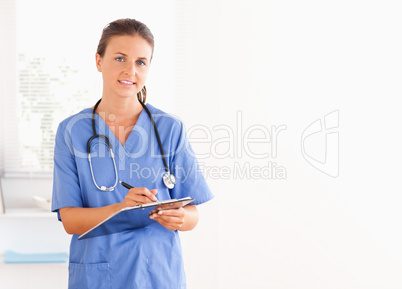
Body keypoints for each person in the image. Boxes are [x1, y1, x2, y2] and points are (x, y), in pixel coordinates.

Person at [52, 18, 213, 289]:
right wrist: (121, 209)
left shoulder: (169, 129)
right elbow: (70, 220)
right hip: (98, 275)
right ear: (98, 61)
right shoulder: (72, 131)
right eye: (119, 58)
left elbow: (192, 212)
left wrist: (181, 218)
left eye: (141, 62)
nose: (130, 70)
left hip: (158, 274)